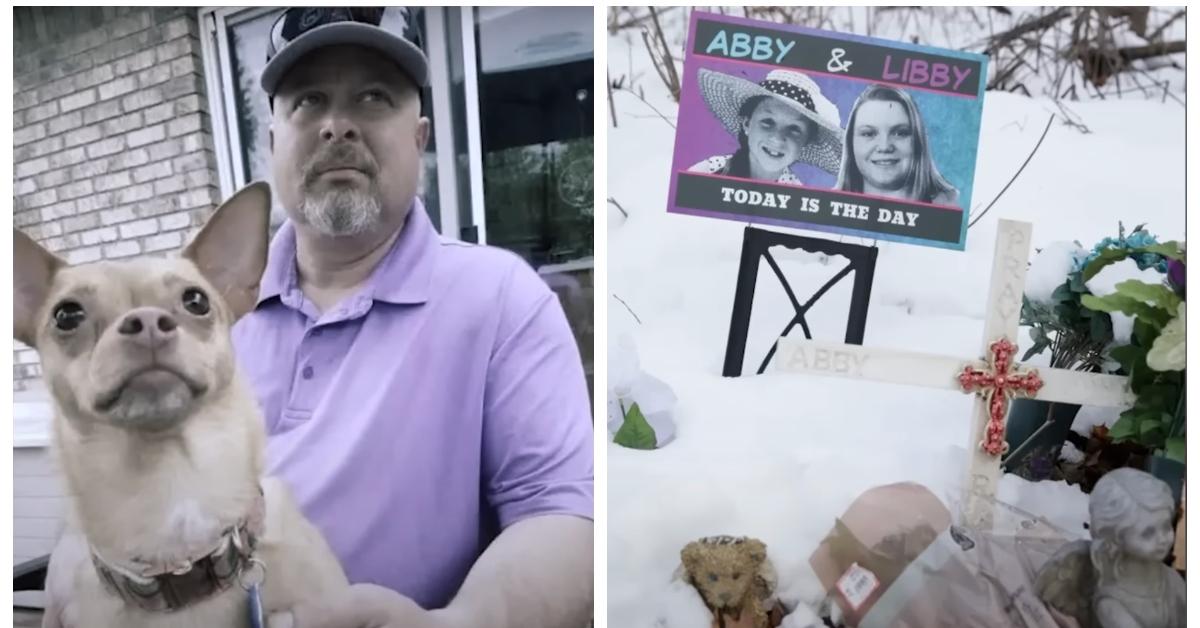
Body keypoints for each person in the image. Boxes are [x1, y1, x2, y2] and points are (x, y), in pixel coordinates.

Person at [45, 7, 594, 628]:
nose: (338, 126)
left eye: (373, 97)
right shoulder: (206, 308)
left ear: (419, 137)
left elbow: (564, 515)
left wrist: (460, 623)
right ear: (273, 142)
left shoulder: (498, 298)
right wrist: (80, 547)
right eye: (309, 101)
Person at [689, 68, 843, 184]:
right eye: (768, 122)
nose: (777, 139)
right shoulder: (707, 173)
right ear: (747, 124)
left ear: (806, 142)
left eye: (794, 129)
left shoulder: (797, 201)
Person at [835, 84, 958, 205]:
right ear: (850, 144)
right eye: (868, 134)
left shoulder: (953, 207)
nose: (884, 147)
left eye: (900, 133)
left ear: (918, 142)